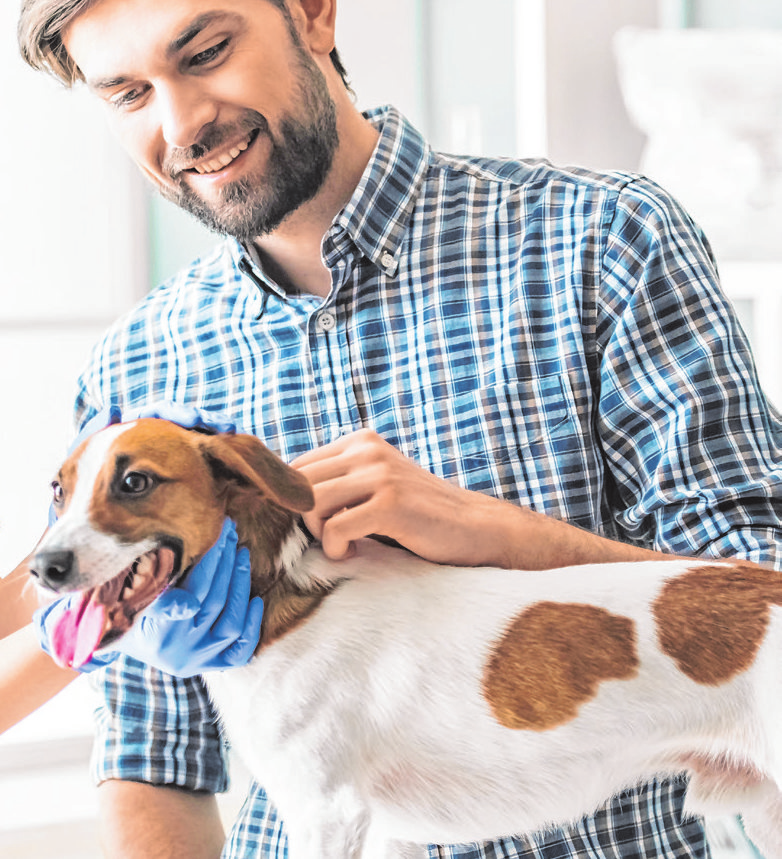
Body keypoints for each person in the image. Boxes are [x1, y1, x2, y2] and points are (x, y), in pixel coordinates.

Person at [15, 0, 782, 857]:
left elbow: (764, 595)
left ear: (311, 14)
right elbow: (152, 757)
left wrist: (498, 536)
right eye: (127, 94)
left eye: (207, 51)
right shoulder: (137, 373)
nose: (182, 121)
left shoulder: (602, 241)